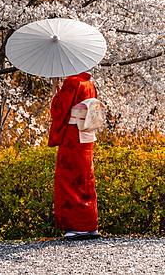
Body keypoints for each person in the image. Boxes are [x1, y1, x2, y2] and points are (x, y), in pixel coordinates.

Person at [48, 71, 102, 240]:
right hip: (85, 134)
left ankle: (79, 226)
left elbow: (59, 110)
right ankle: (90, 224)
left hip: (73, 136)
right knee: (85, 177)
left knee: (70, 177)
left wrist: (55, 94)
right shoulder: (88, 82)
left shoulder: (72, 82)